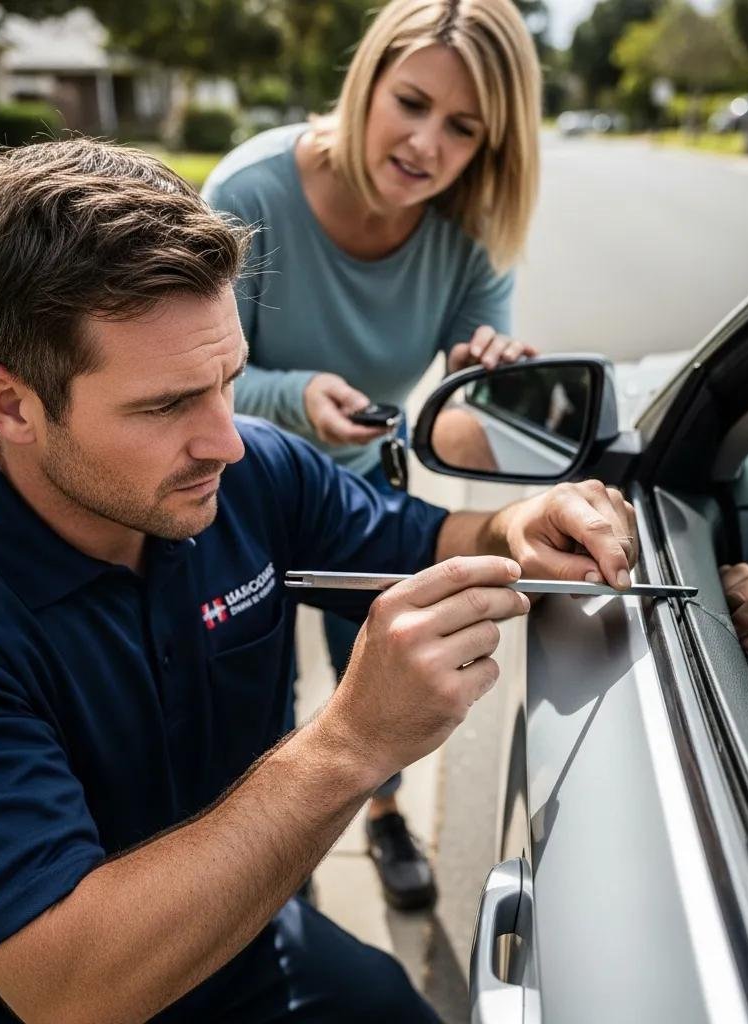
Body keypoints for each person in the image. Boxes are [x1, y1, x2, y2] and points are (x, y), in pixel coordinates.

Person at [0, 139, 641, 1024]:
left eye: (228, 381)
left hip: (246, 946)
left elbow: (423, 539)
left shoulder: (253, 470)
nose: (226, 442)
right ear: (10, 404)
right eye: (165, 406)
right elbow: (72, 986)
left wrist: (520, 527)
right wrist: (354, 742)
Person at [200, 0, 542, 907]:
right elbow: (193, 387)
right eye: (412, 102)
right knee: (253, 701)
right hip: (232, 493)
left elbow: (473, 423)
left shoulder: (468, 240)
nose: (428, 143)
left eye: (462, 128)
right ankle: (267, 862)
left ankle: (384, 815)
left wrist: (485, 380)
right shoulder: (248, 193)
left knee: (379, 674)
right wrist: (297, 397)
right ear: (367, 82)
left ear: (489, 145)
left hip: (365, 502)